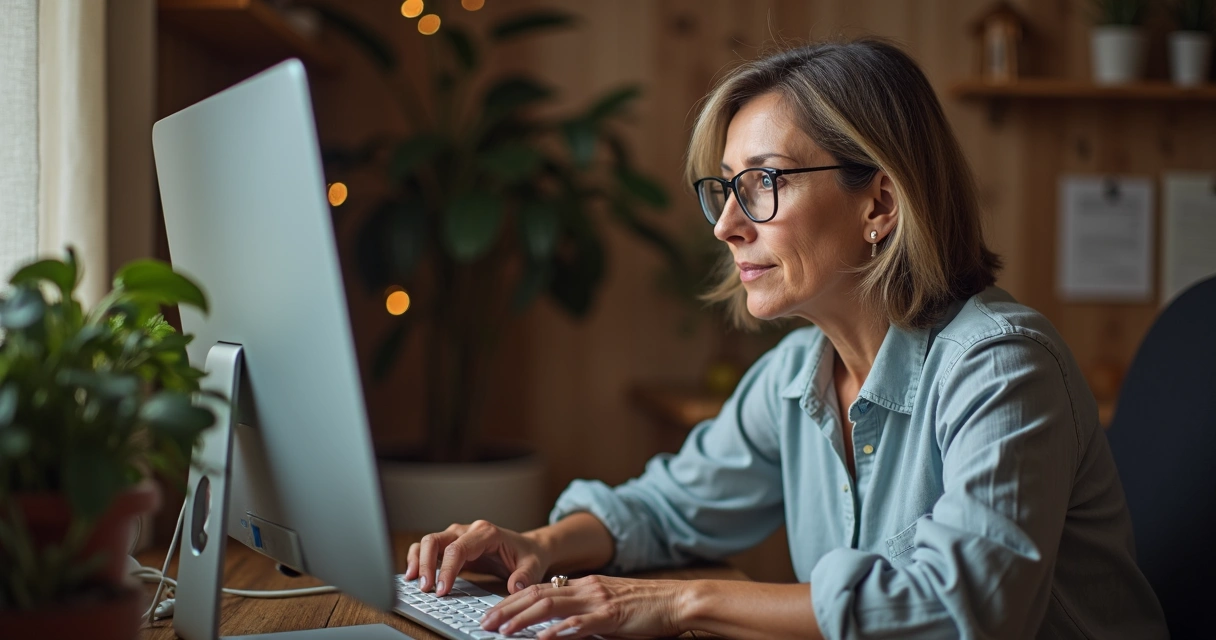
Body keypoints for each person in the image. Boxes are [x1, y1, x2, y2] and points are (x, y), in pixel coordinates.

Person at [405, 39, 1168, 639]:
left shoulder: (1001, 366)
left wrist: (677, 604)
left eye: (764, 183)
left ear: (880, 203)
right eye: (725, 188)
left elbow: (960, 610)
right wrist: (540, 543)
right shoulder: (797, 373)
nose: (727, 225)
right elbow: (670, 508)